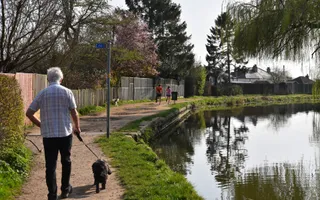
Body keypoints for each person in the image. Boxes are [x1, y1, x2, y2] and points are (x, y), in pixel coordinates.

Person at [26, 67, 81, 200]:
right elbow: (74, 112)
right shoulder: (67, 92)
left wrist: (40, 124)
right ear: (61, 79)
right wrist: (77, 128)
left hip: (49, 135)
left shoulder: (42, 93)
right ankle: (65, 189)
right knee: (66, 161)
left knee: (50, 165)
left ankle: (52, 194)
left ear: (48, 79)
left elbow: (29, 113)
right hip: (65, 133)